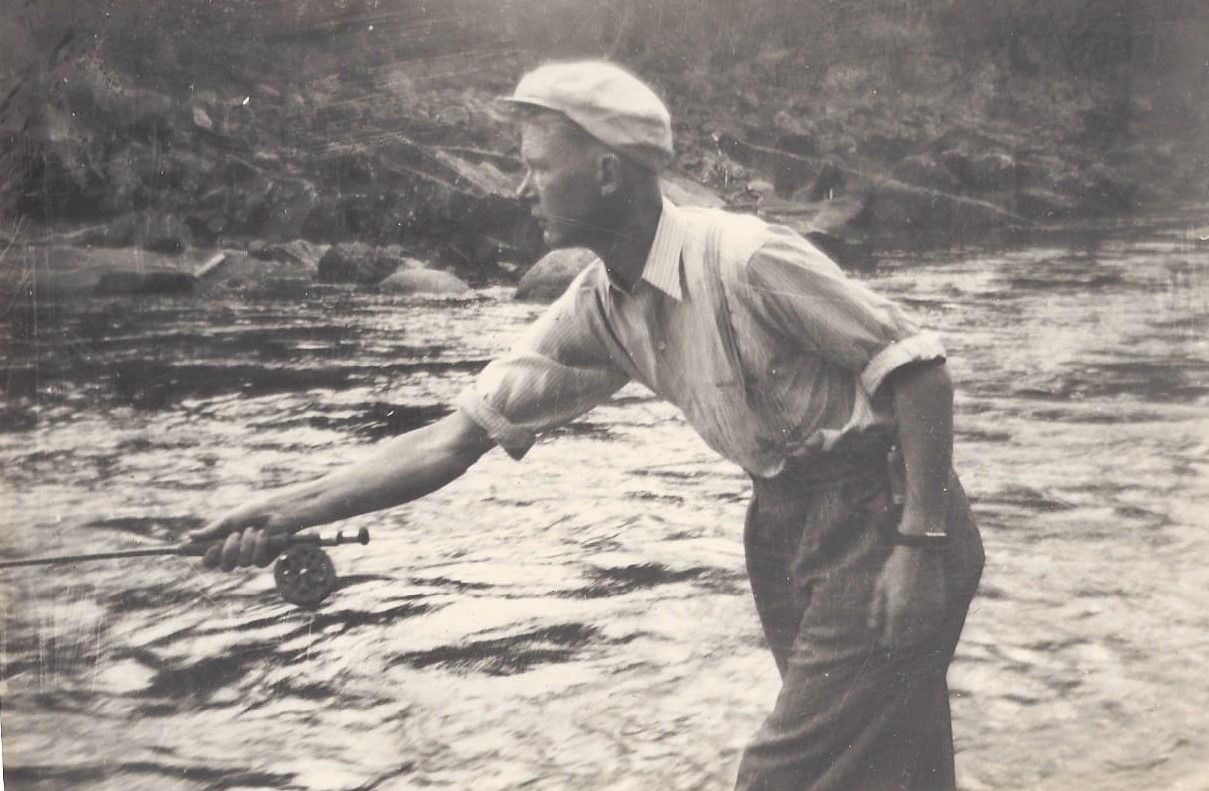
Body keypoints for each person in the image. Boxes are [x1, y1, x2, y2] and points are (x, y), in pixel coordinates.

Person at [189, 60, 985, 791]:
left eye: (537, 167)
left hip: (888, 520)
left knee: (779, 778)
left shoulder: (745, 258)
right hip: (784, 527)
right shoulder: (599, 307)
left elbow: (918, 372)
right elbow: (451, 439)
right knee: (895, 772)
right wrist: (286, 511)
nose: (519, 189)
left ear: (605, 172)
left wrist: (918, 546)